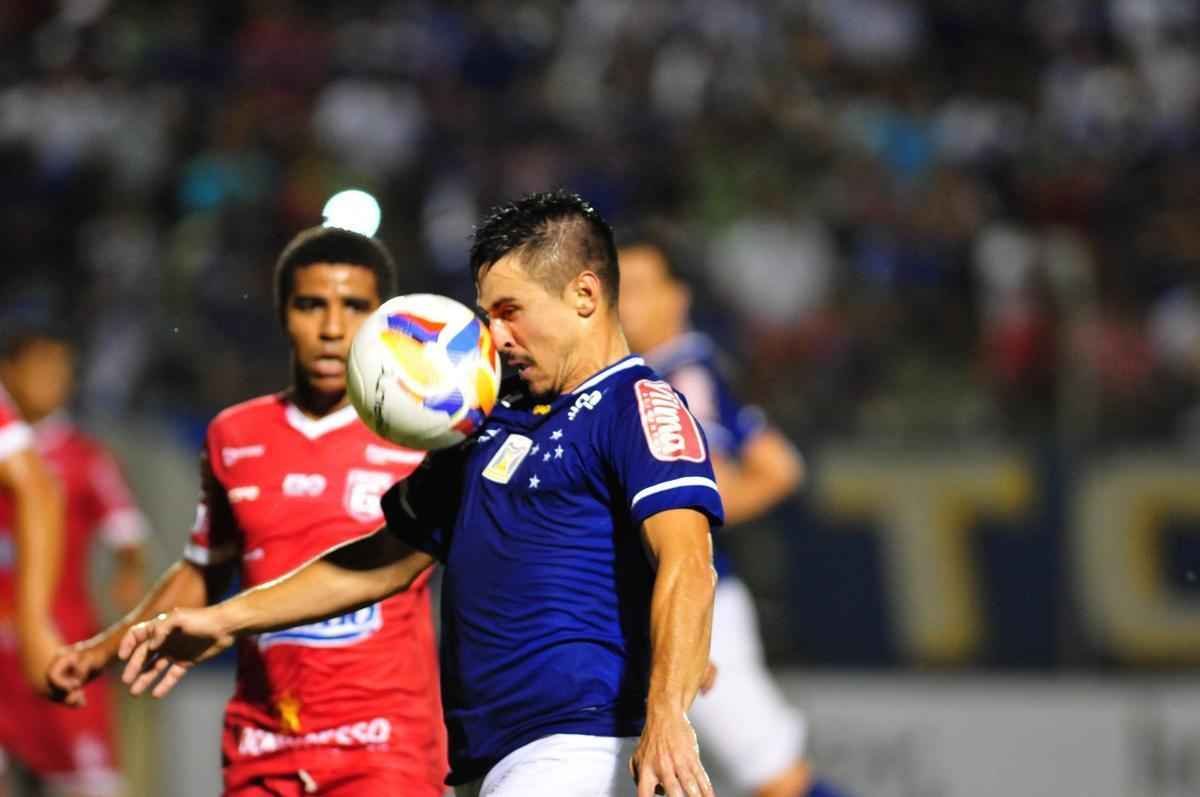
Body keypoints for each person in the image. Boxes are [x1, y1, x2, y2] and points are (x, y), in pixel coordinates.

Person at [114, 190, 724, 797]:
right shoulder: (491, 423)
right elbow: (381, 562)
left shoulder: (637, 406)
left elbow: (688, 562)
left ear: (585, 295)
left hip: (580, 748)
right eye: (487, 314)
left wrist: (667, 717)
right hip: (488, 759)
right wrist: (225, 618)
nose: (495, 336)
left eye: (510, 310)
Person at [48, 225, 447, 797]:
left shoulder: (418, 437)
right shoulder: (235, 436)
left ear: (381, 319)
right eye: (312, 305)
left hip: (384, 746)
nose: (332, 328)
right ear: (284, 313)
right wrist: (101, 649)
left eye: (354, 307)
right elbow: (201, 568)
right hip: (263, 743)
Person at [618, 232, 848, 797]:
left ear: (679, 298)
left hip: (692, 600)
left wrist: (680, 526)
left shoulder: (678, 374)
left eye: (642, 288)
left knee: (778, 780)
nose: (626, 304)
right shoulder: (664, 369)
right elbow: (779, 462)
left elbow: (716, 476)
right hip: (671, 597)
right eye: (617, 289)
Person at [0, 326, 150, 797]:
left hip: (58, 641)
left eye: (60, 372)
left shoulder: (84, 457)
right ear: (11, 373)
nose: (52, 381)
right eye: (41, 370)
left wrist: (128, 573)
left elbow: (125, 531)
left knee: (88, 782)